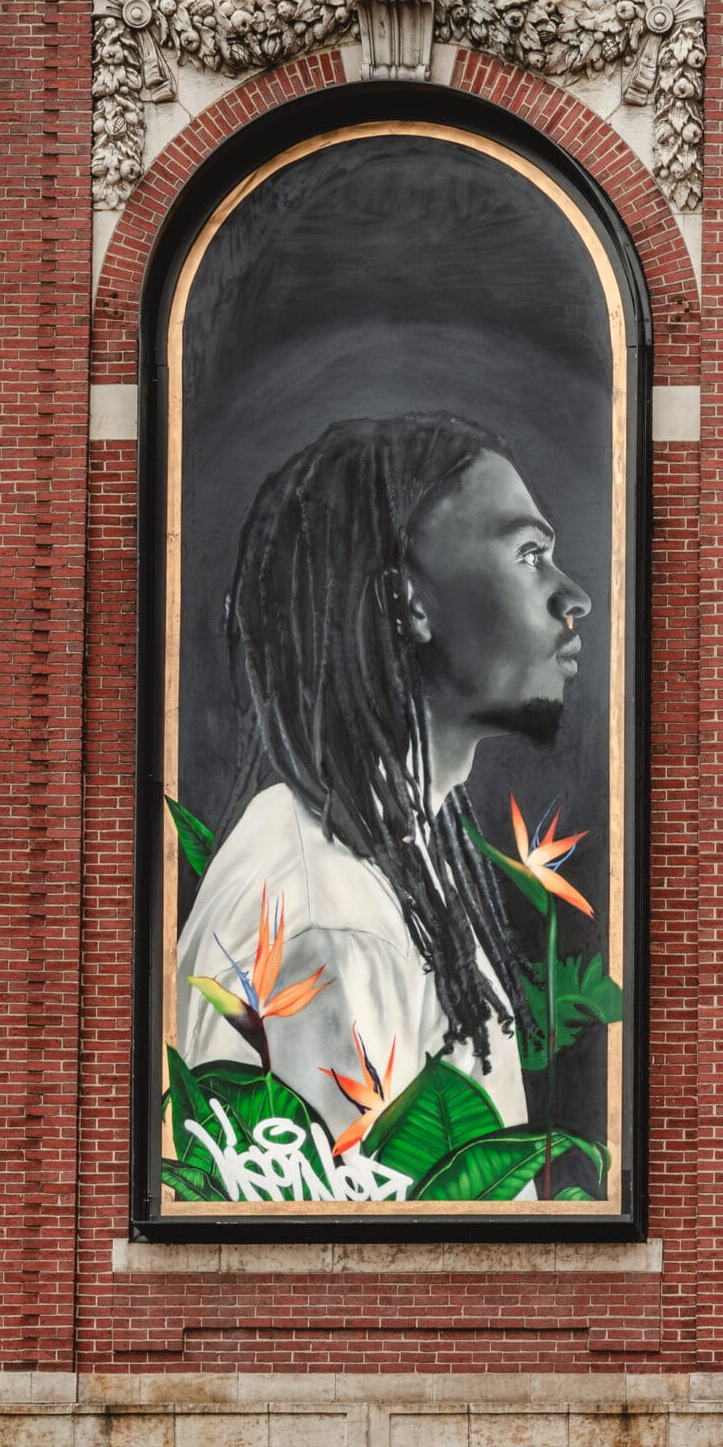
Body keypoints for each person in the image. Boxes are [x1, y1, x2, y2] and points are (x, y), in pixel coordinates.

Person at [174, 411, 592, 1149]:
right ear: (409, 602)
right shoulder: (331, 934)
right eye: (528, 554)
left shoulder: (395, 849)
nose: (574, 596)